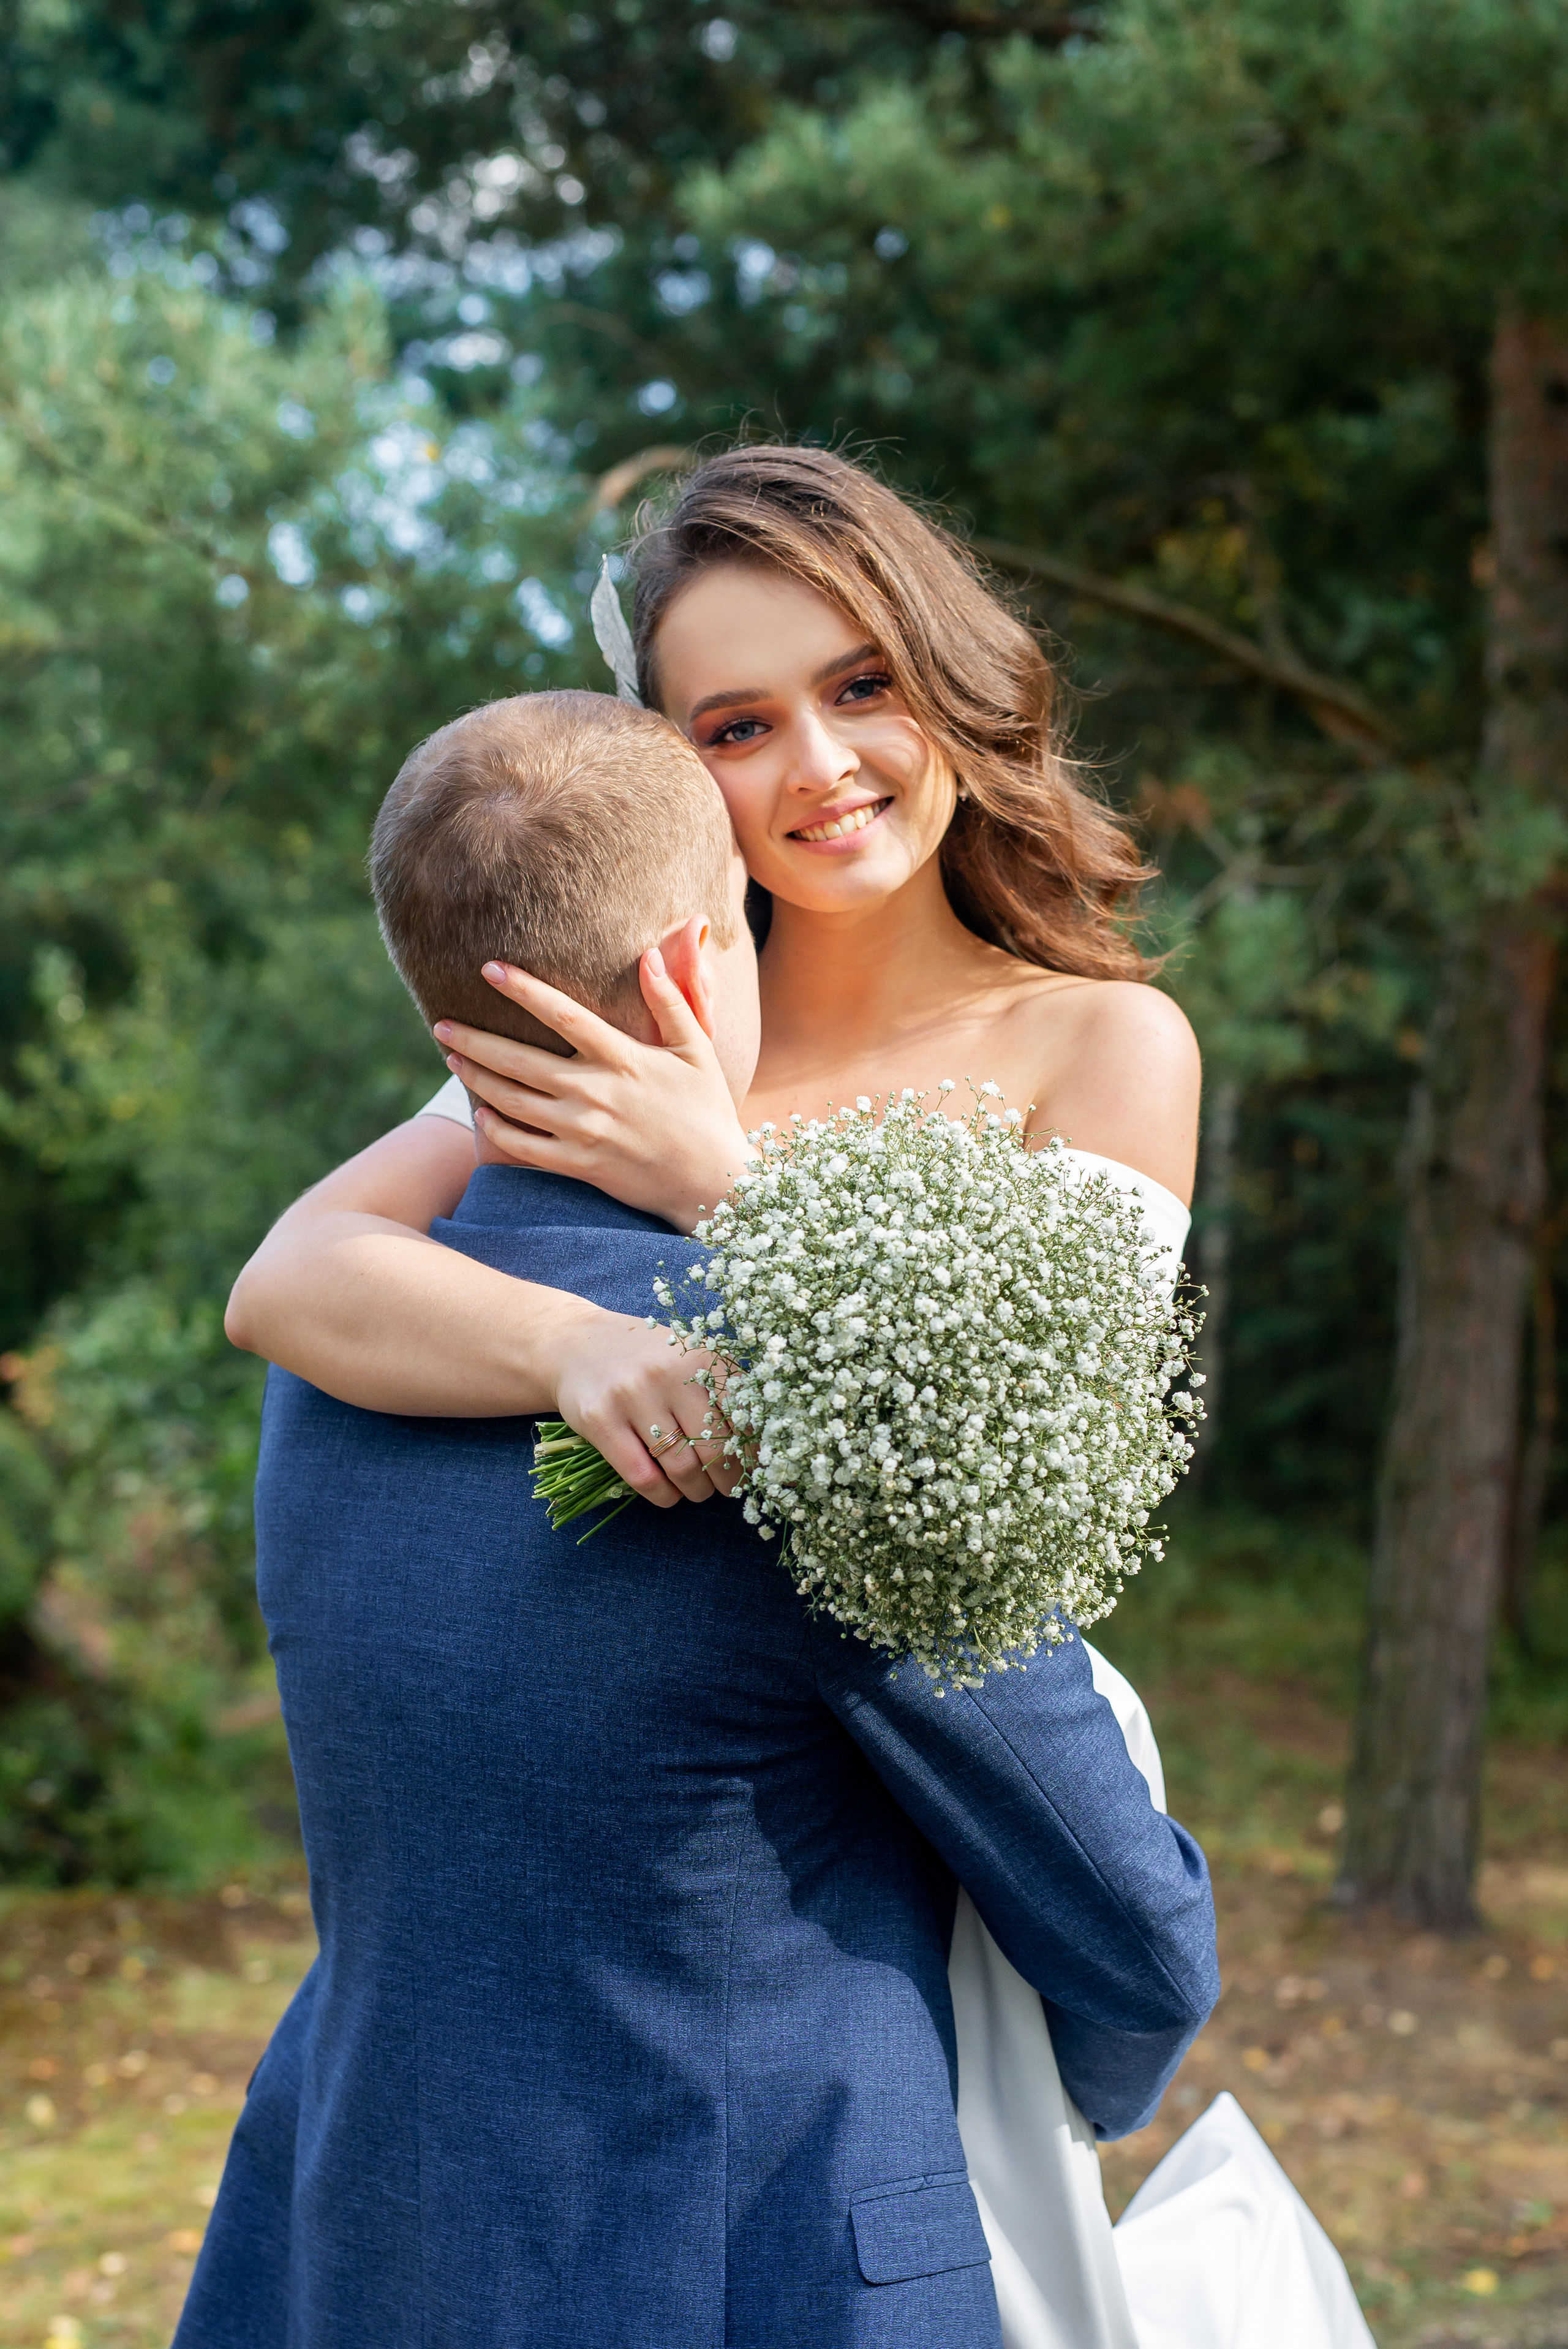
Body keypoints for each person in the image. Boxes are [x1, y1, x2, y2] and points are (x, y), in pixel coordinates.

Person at [224, 447, 1374, 2347]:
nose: (821, 765)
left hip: (948, 1802)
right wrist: (572, 1346)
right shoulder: (641, 1003)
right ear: (674, 764)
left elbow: (1007, 1463)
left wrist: (726, 1187)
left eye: (860, 687)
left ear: (944, 680)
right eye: (740, 725)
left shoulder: (1096, 1042)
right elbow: (291, 1277)